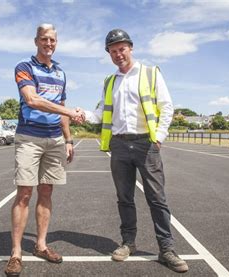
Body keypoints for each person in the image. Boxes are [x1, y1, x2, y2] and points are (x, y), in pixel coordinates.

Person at [84, 29, 188, 273]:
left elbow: (167, 107)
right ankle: (127, 242)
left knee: (157, 199)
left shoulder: (150, 74)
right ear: (108, 54)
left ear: (130, 48)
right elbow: (99, 114)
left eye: (122, 48)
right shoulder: (110, 82)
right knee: (124, 198)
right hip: (119, 146)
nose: (118, 54)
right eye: (113, 50)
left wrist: (159, 138)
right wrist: (80, 114)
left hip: (146, 144)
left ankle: (167, 249)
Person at [4, 23, 83, 277]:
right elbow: (32, 99)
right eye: (44, 39)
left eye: (53, 40)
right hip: (29, 137)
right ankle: (16, 253)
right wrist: (69, 111)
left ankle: (40, 245)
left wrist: (68, 140)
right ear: (36, 40)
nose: (49, 44)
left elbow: (61, 108)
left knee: (46, 192)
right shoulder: (24, 67)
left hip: (55, 140)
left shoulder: (60, 72)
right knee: (25, 193)